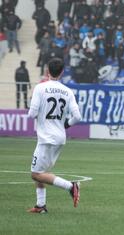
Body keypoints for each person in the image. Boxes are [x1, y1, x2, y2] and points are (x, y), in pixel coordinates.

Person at [27, 58, 82, 213]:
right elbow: (78, 117)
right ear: (62, 72)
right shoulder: (68, 91)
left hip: (46, 138)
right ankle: (41, 205)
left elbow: (32, 114)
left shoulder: (40, 88)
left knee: (36, 174)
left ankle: (71, 186)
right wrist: (66, 124)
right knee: (41, 172)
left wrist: (32, 110)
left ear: (47, 71)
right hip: (59, 137)